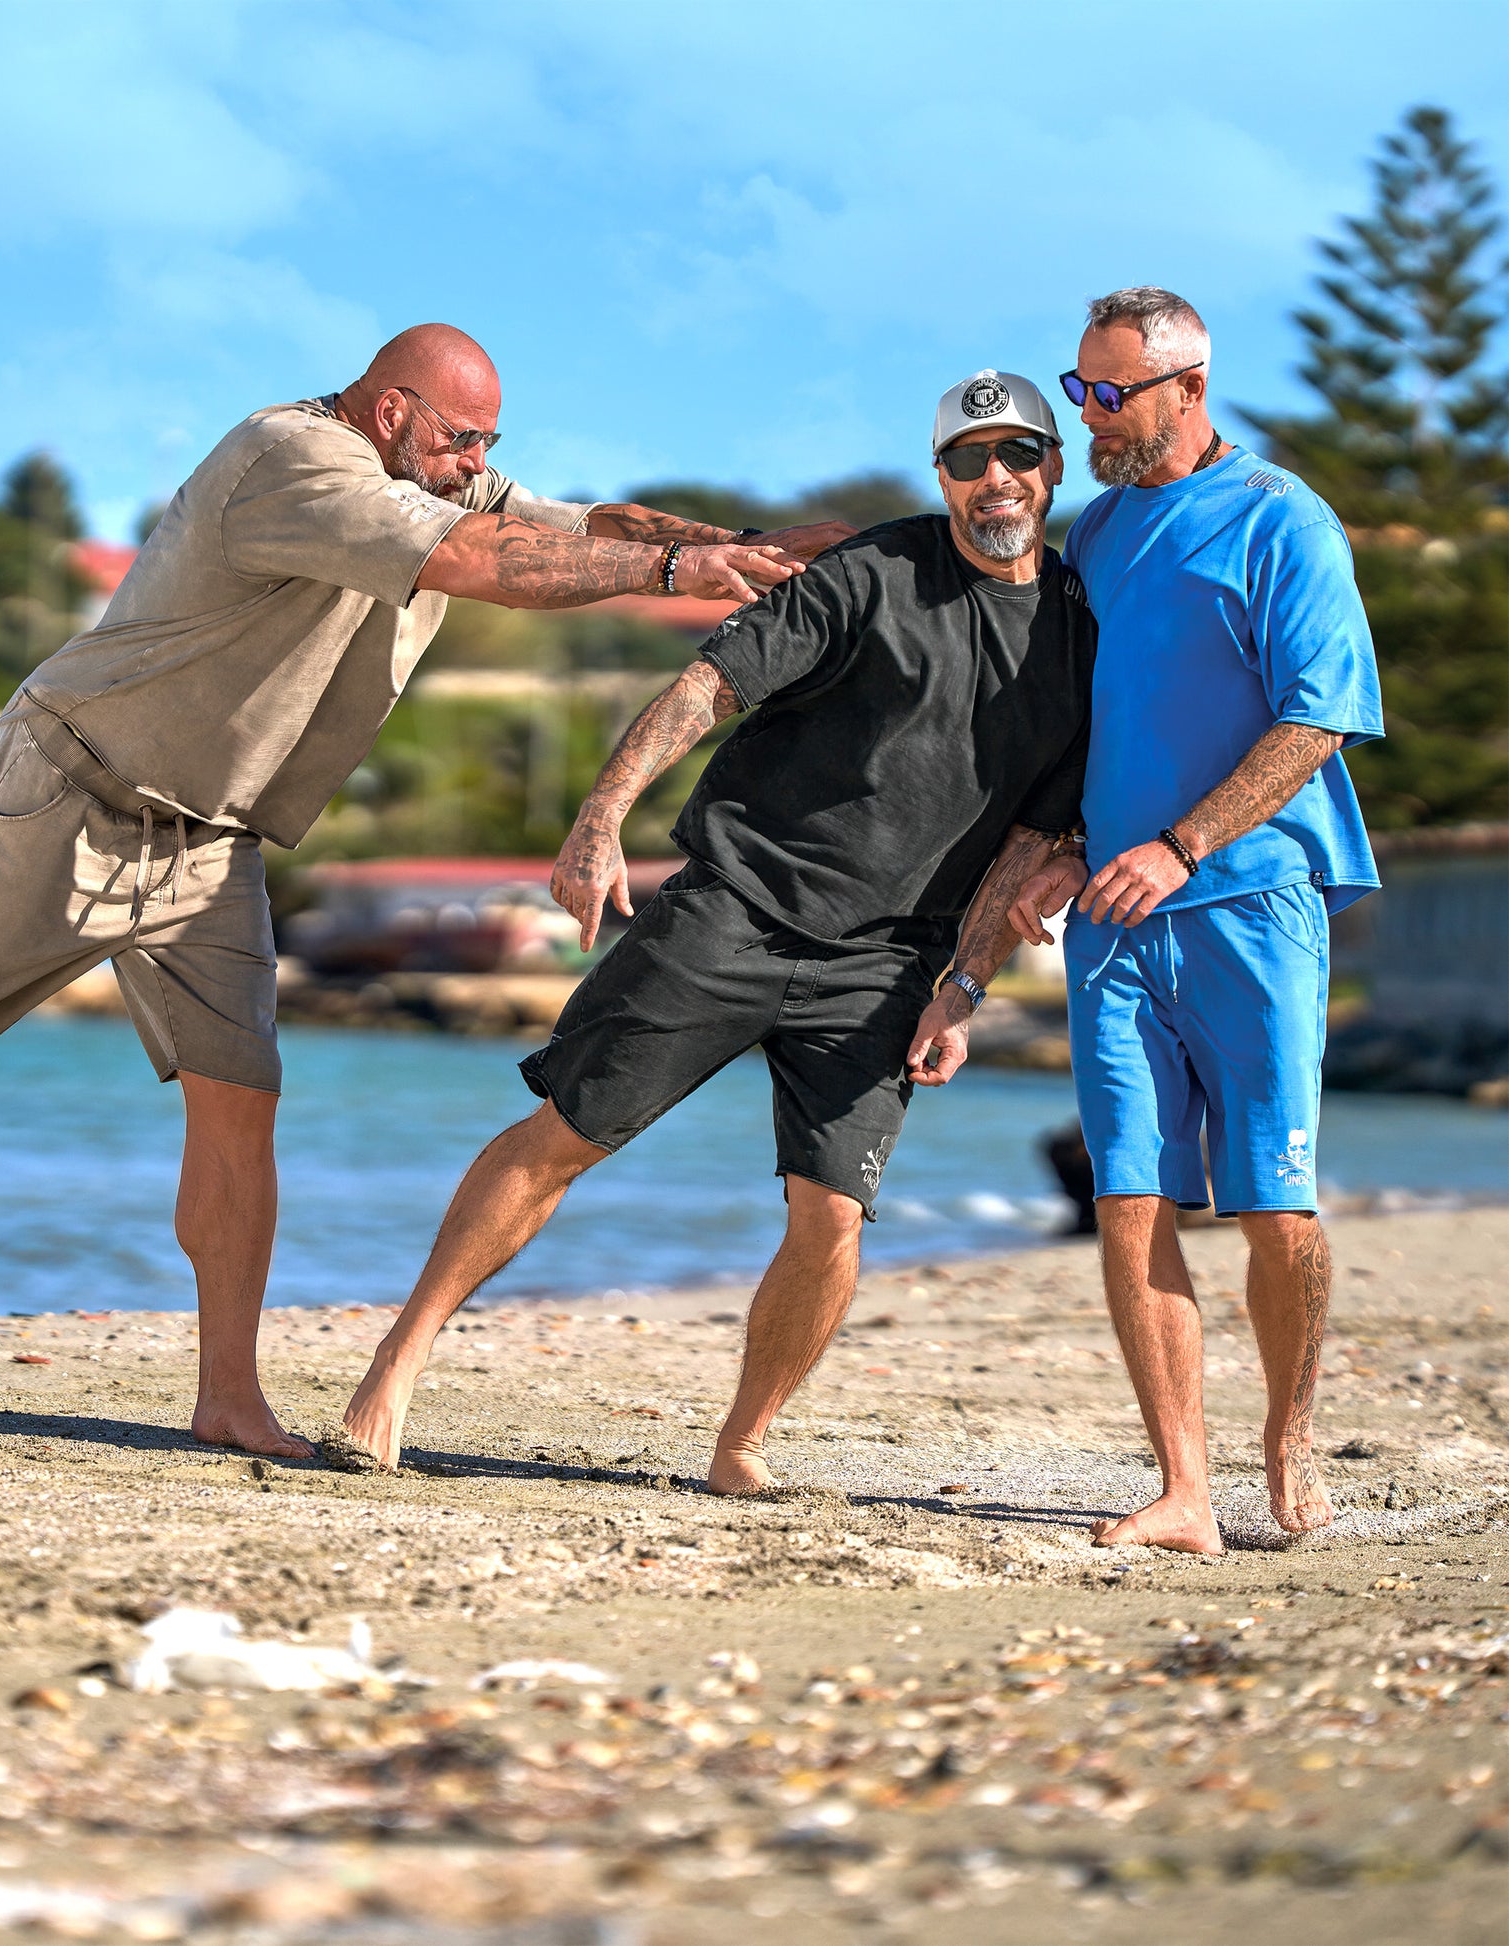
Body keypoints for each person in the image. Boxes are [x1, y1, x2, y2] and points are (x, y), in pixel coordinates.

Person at [0, 324, 847, 1459]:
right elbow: (485, 560)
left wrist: (762, 553)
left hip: (211, 841)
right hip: (71, 796)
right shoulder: (291, 463)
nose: (480, 464)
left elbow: (585, 523)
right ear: (387, 410)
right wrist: (680, 568)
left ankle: (226, 1396)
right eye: (460, 438)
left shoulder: (439, 472)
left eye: (491, 445)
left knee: (238, 1098)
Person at [333, 369, 1095, 1495]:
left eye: (1018, 455)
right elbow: (709, 683)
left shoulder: (1077, 637)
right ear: (939, 476)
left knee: (833, 1209)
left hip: (888, 960)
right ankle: (392, 1368)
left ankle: (741, 1441)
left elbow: (1030, 836)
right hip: (734, 905)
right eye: (968, 459)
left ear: (1051, 469)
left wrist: (964, 986)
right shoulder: (871, 571)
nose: (995, 479)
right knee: (565, 1133)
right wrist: (599, 818)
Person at [1003, 287, 1384, 1554]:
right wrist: (1065, 849)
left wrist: (1181, 845)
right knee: (1127, 1194)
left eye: (1109, 393)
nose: (1089, 418)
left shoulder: (1283, 519)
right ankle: (1181, 1486)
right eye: (1079, 391)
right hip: (1112, 912)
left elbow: (1315, 717)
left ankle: (1284, 1442)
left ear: (1186, 386)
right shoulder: (1098, 533)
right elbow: (1081, 721)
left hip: (1250, 903)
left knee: (1273, 1206)